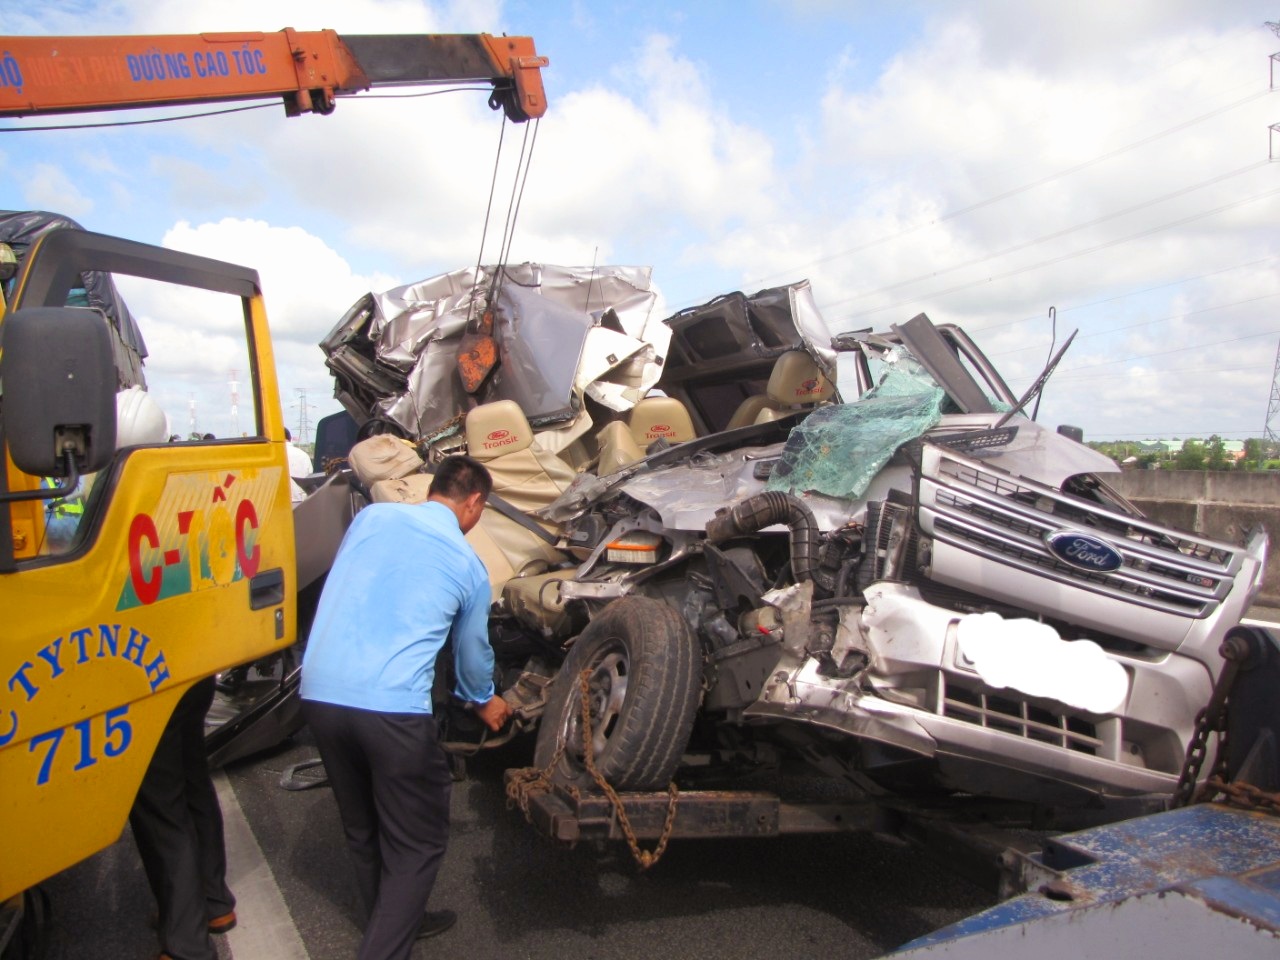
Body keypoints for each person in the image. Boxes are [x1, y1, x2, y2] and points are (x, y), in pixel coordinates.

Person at [300, 454, 511, 960]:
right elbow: (470, 655)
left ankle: (397, 921)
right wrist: (483, 700)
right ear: (474, 502)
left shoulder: (372, 517)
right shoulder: (467, 564)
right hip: (391, 708)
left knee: (362, 825)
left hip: (320, 693)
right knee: (417, 843)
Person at [123, 387, 236, 960]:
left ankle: (184, 937)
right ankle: (215, 901)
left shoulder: (124, 497)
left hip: (148, 674)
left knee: (157, 803)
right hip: (193, 669)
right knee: (193, 784)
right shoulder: (186, 487)